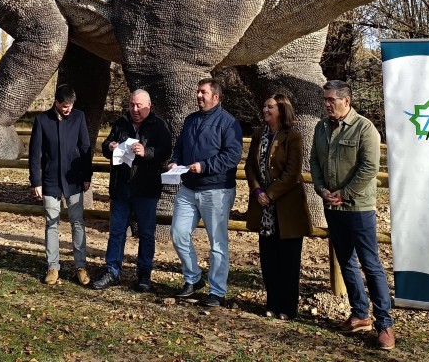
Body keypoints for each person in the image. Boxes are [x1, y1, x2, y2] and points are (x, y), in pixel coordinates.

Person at [309, 80, 395, 350]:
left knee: (370, 265)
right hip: (332, 206)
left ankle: (385, 324)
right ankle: (359, 314)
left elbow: (369, 167)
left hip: (358, 208)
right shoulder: (321, 128)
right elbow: (314, 161)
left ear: (347, 101)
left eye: (331, 99)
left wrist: (345, 193)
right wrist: (322, 189)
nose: (326, 104)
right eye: (325, 99)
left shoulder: (365, 128)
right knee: (345, 260)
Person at [168, 77, 244, 308]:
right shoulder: (190, 120)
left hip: (216, 190)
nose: (199, 96)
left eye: (203, 92)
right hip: (188, 188)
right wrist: (175, 162)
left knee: (217, 243)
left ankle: (217, 291)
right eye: (198, 92)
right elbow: (180, 147)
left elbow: (232, 155)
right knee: (178, 233)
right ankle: (193, 278)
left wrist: (205, 166)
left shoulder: (229, 123)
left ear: (216, 97)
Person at [92, 88, 172, 293]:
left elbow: (166, 152)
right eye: (131, 105)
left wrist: (147, 152)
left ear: (149, 106)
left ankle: (144, 274)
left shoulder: (159, 126)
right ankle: (112, 271)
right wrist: (109, 146)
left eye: (139, 106)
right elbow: (104, 145)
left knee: (146, 233)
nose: (135, 109)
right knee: (117, 232)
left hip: (146, 188)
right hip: (121, 188)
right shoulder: (121, 123)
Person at [245, 93, 312, 319]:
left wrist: (270, 195)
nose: (265, 110)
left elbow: (292, 173)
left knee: (288, 261)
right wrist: (257, 192)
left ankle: (288, 308)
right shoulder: (258, 134)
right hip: (263, 210)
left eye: (270, 107)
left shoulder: (293, 137)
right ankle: (272, 304)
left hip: (287, 209)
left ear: (281, 110)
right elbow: (250, 168)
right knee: (268, 259)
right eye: (264, 106)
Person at [29, 83, 92, 286]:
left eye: (71, 105)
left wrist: (86, 175)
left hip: (73, 181)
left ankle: (81, 267)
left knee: (77, 222)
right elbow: (35, 154)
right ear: (56, 102)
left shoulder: (79, 117)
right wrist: (36, 181)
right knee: (51, 224)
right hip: (50, 181)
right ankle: (53, 267)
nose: (69, 109)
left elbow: (85, 148)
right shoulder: (41, 120)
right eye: (65, 105)